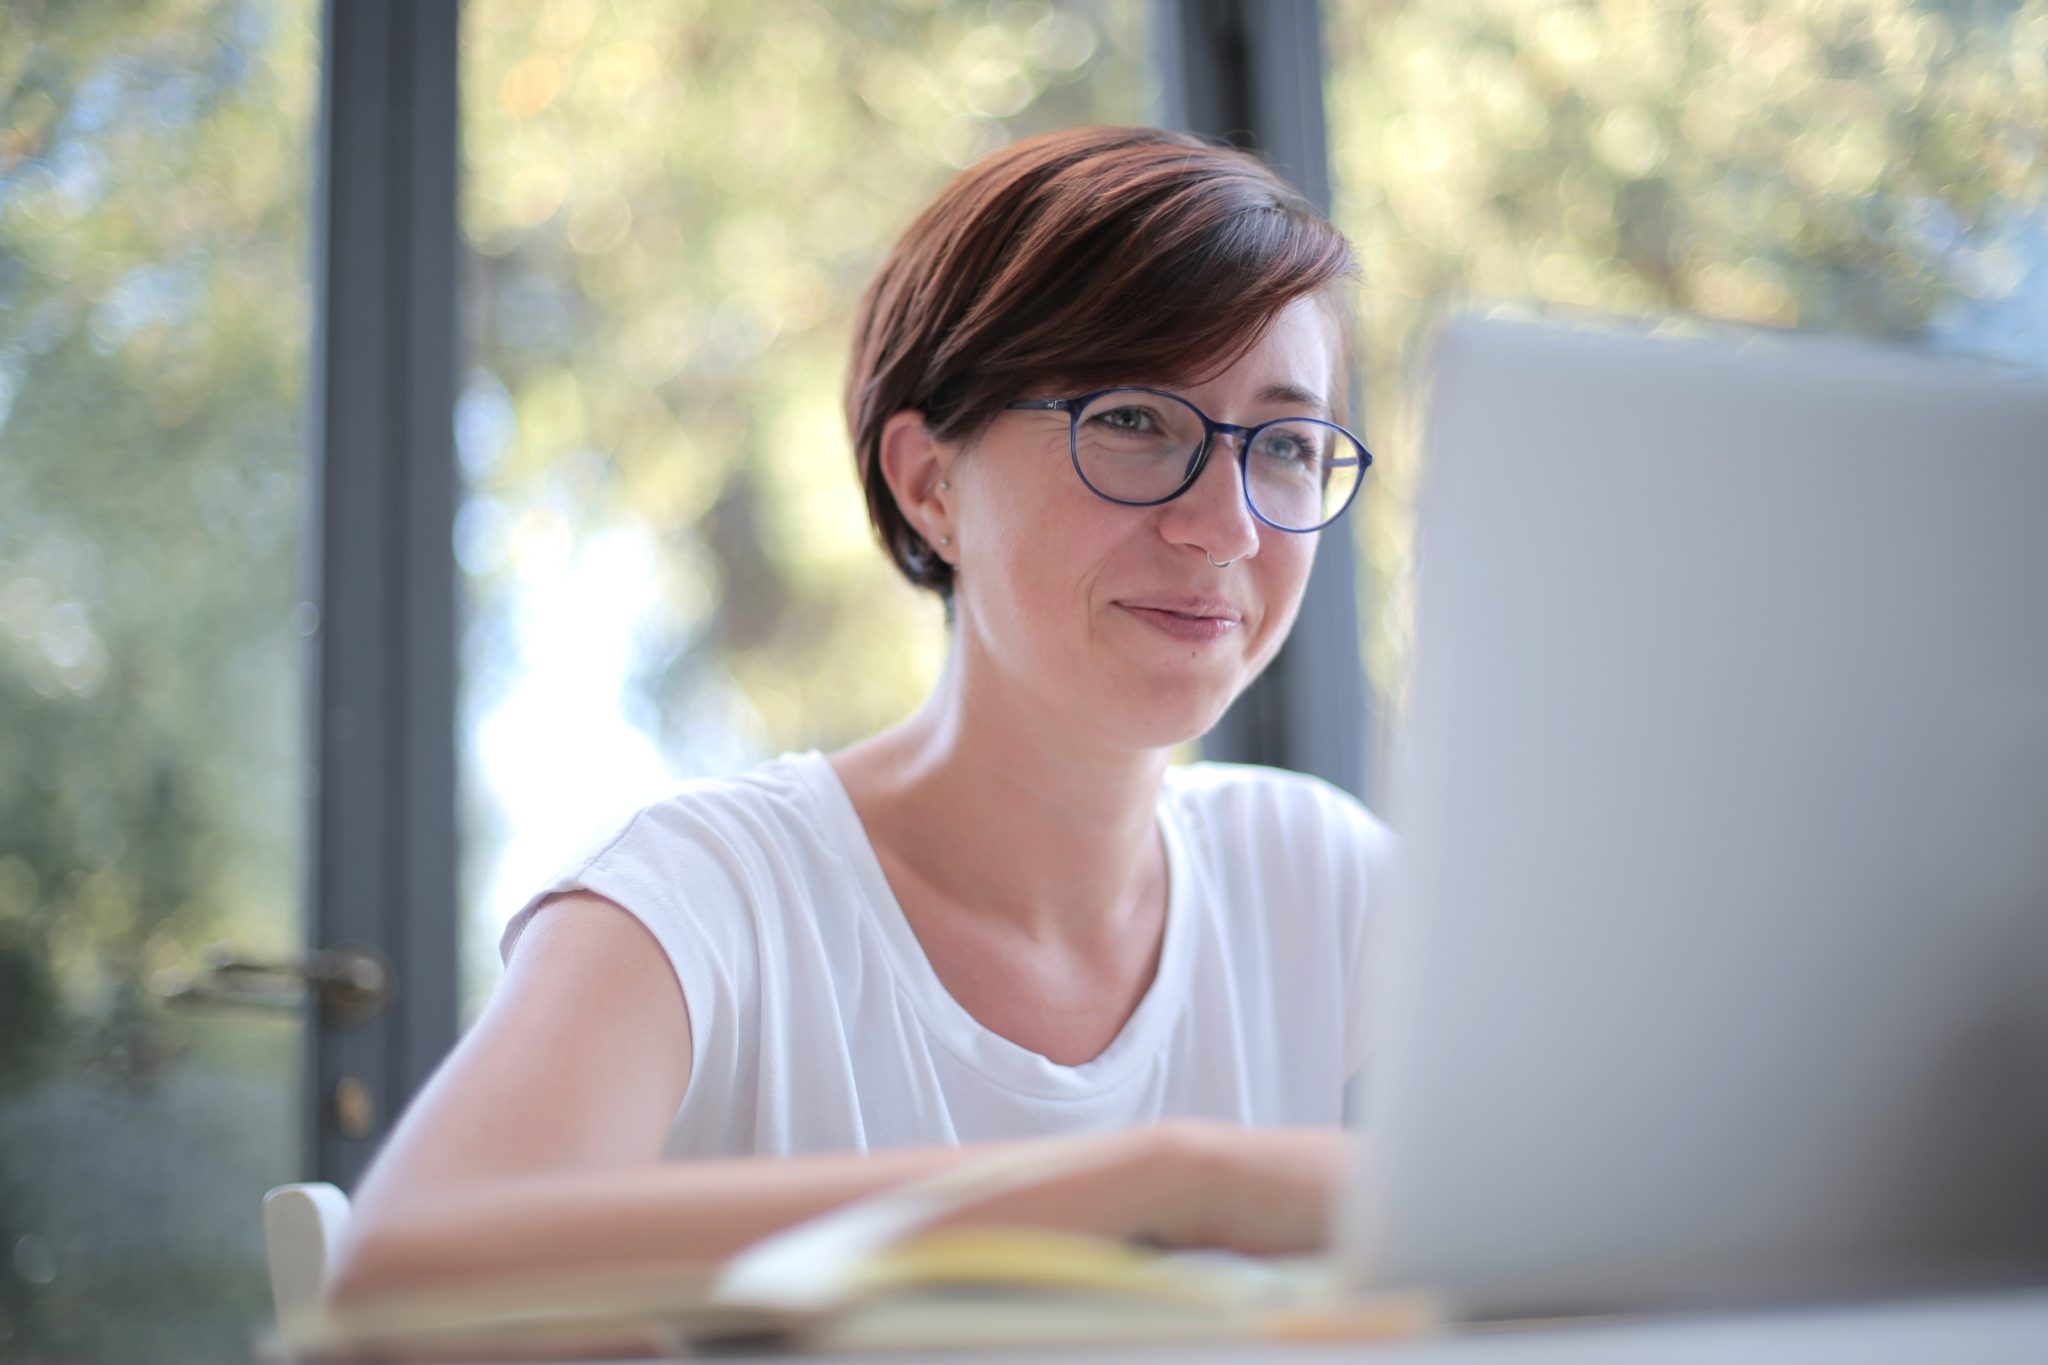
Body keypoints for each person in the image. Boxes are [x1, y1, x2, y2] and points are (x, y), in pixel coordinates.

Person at [325, 125, 1393, 1306]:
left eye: (1286, 445)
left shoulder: (1317, 878)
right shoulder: (706, 895)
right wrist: (1158, 1188)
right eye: (1134, 422)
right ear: (929, 483)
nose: (1227, 527)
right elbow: (394, 1273)